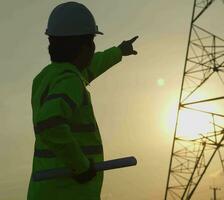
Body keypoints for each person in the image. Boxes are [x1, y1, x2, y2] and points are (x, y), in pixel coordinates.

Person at [27, 2, 138, 200]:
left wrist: (119, 51)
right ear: (86, 48)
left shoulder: (48, 76)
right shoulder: (70, 81)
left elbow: (90, 68)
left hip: (48, 189)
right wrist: (80, 166)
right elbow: (49, 124)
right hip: (67, 191)